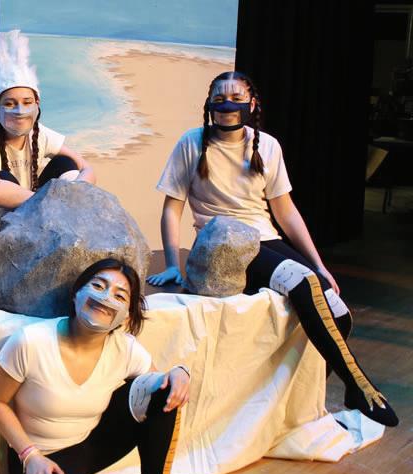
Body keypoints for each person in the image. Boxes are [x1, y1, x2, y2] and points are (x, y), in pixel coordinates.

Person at [147, 70, 397, 427]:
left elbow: (285, 211)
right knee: (303, 285)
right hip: (224, 245)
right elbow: (172, 209)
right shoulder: (191, 142)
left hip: (266, 238)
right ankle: (358, 385)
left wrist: (318, 263)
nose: (227, 104)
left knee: (338, 312)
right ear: (209, 104)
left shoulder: (267, 145)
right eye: (219, 98)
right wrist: (174, 263)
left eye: (236, 97)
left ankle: (299, 400)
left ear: (252, 104)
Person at [0, 258, 199, 474]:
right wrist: (29, 455)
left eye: (120, 295)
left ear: (126, 316)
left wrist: (179, 372)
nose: (106, 297)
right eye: (98, 286)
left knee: (164, 389)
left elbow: (156, 385)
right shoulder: (31, 342)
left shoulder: (125, 348)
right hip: (41, 456)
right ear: (76, 294)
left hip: (91, 444)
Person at [0, 30, 95, 274]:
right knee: (3, 178)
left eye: (26, 102)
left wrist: (72, 196)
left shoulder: (41, 135)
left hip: (17, 235)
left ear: (37, 105)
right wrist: (49, 201)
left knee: (65, 165)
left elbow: (86, 169)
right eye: (10, 103)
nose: (19, 111)